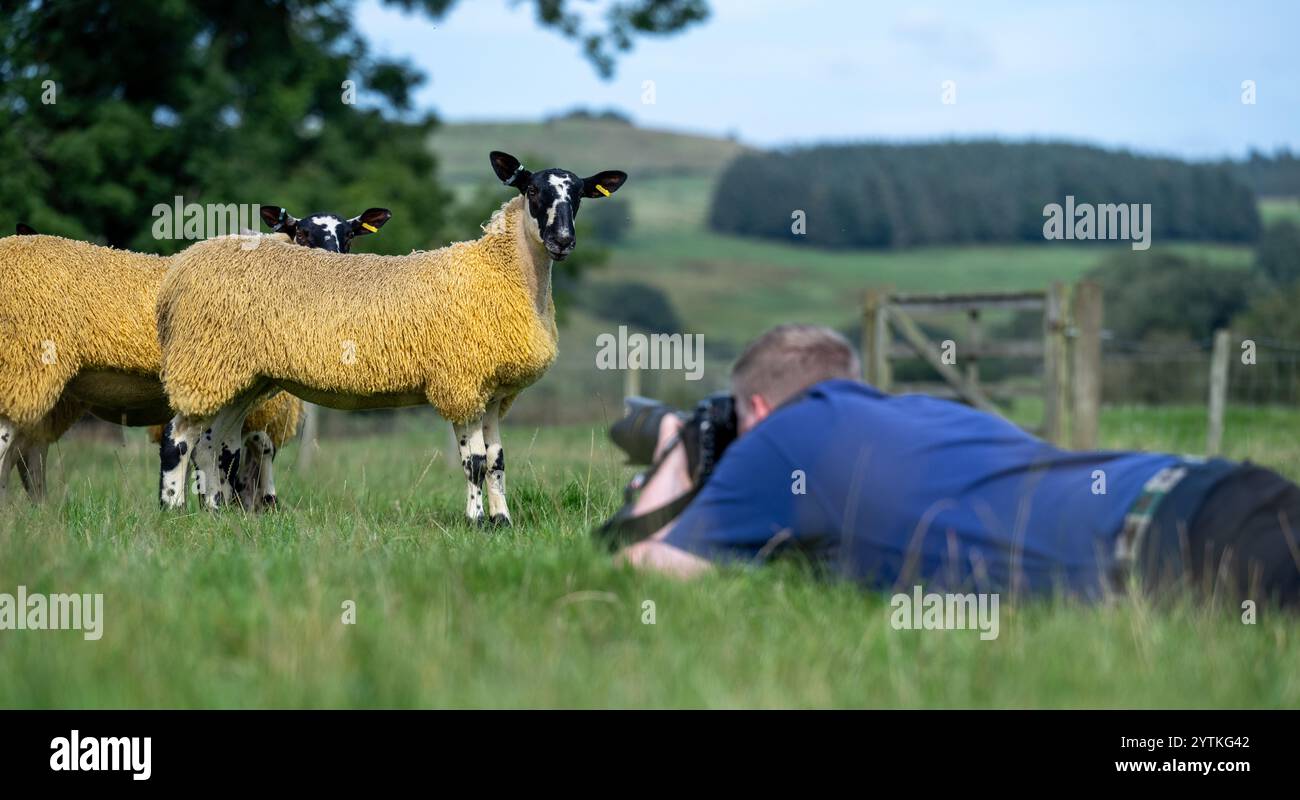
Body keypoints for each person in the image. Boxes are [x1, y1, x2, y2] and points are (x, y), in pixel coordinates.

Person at [618, 324, 1300, 605]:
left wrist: (678, 455)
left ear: (759, 410)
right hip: (1219, 492)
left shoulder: (783, 435)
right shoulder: (926, 416)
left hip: (1179, 553)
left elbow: (640, 575)